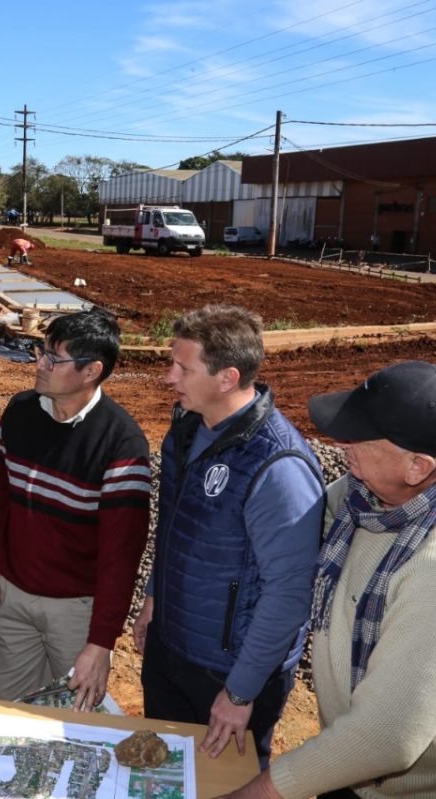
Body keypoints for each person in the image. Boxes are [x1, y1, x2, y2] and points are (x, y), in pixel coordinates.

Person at [220, 361, 436, 799]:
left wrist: (260, 791)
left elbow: (386, 736)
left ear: (417, 466)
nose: (340, 443)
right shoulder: (366, 494)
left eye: (359, 439)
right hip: (355, 768)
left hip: (420, 790)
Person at [132, 305, 323, 771]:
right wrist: (155, 600)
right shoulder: (185, 429)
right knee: (170, 772)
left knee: (227, 782)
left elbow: (290, 594)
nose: (168, 378)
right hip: (171, 646)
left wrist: (240, 692)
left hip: (229, 674)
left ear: (226, 378)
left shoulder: (278, 468)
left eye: (183, 368)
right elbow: (176, 527)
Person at [0, 309, 152, 711]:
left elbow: (120, 556)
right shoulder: (20, 412)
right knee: (8, 715)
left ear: (91, 370)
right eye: (41, 352)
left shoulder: (121, 443)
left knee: (76, 731)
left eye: (53, 359)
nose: (39, 364)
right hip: (13, 600)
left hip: (77, 614)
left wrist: (100, 643)